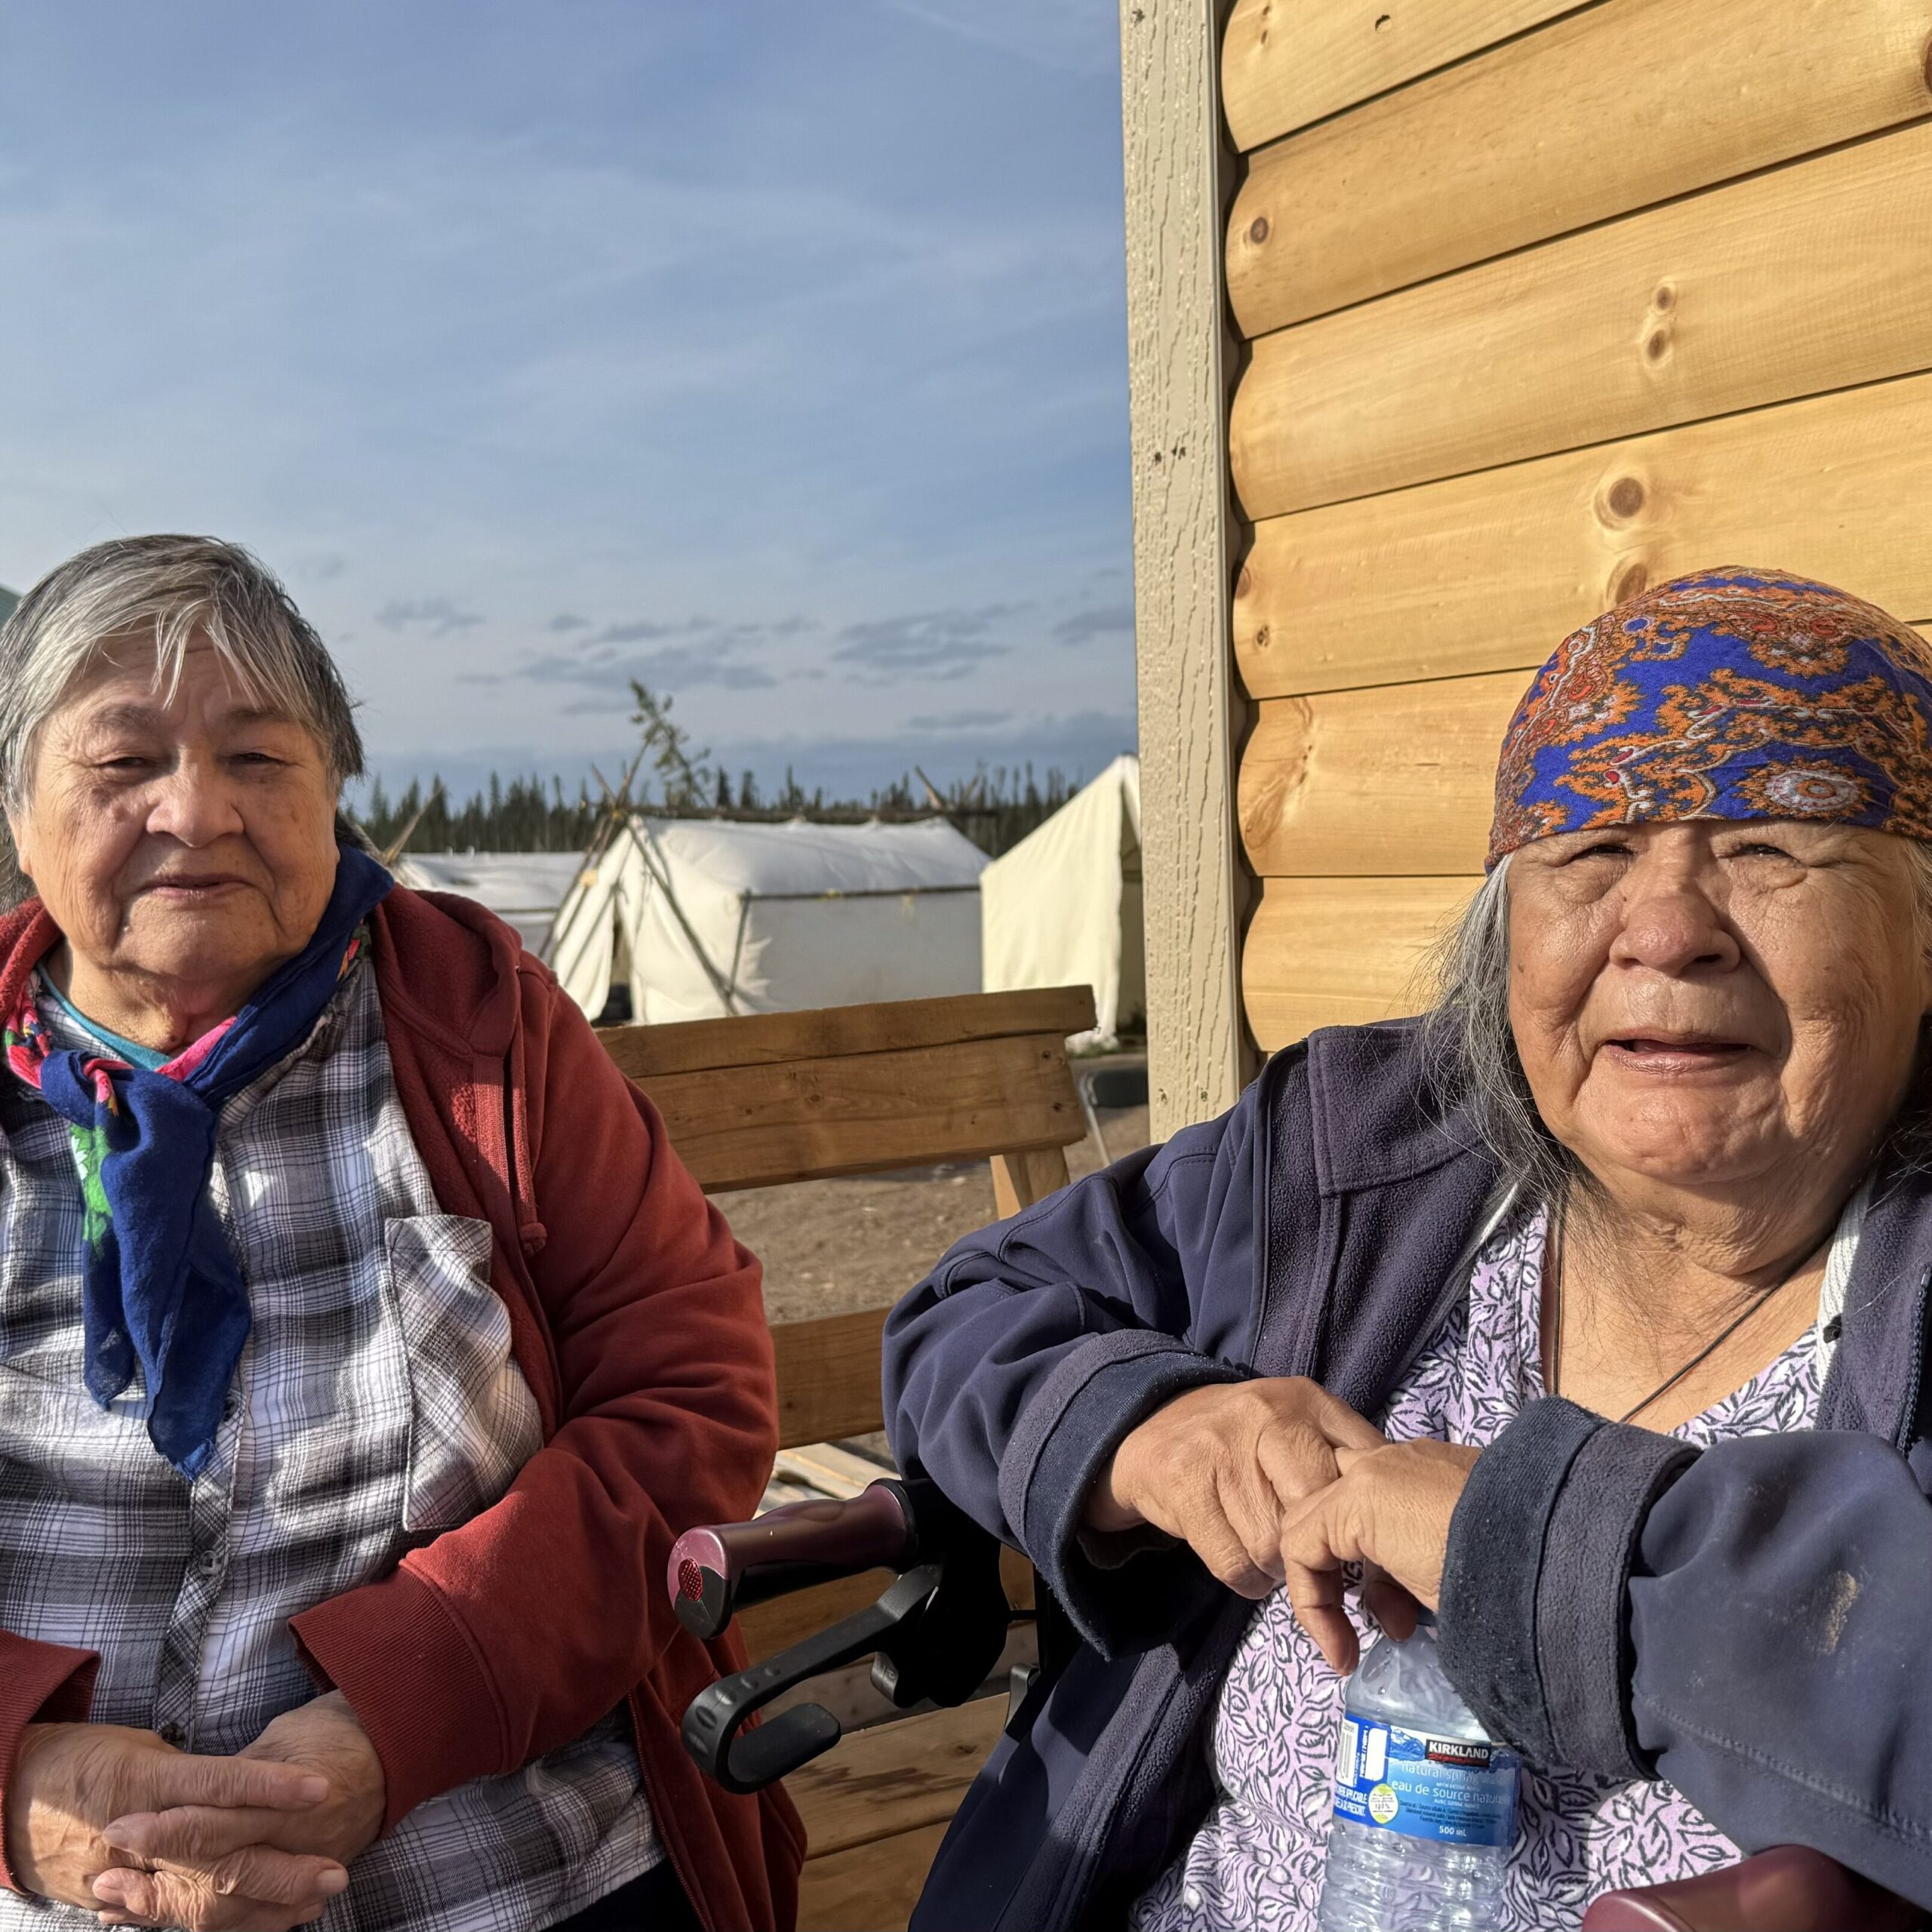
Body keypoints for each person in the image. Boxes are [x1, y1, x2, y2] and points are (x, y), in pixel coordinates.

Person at [884, 565, 1932, 1930]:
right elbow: (970, 1309)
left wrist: (1537, 1553)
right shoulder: (1369, 1151)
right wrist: (1148, 1427)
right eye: (1591, 854)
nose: (1667, 930)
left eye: (1769, 849)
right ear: (1508, 932)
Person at [0, 535, 801, 1930]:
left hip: (503, 1849)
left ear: (333, 794)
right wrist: (19, 1780)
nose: (198, 811)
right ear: (21, 813)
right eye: (123, 765)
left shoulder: (478, 1027)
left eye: (259, 758)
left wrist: (407, 1706)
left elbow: (689, 1395)